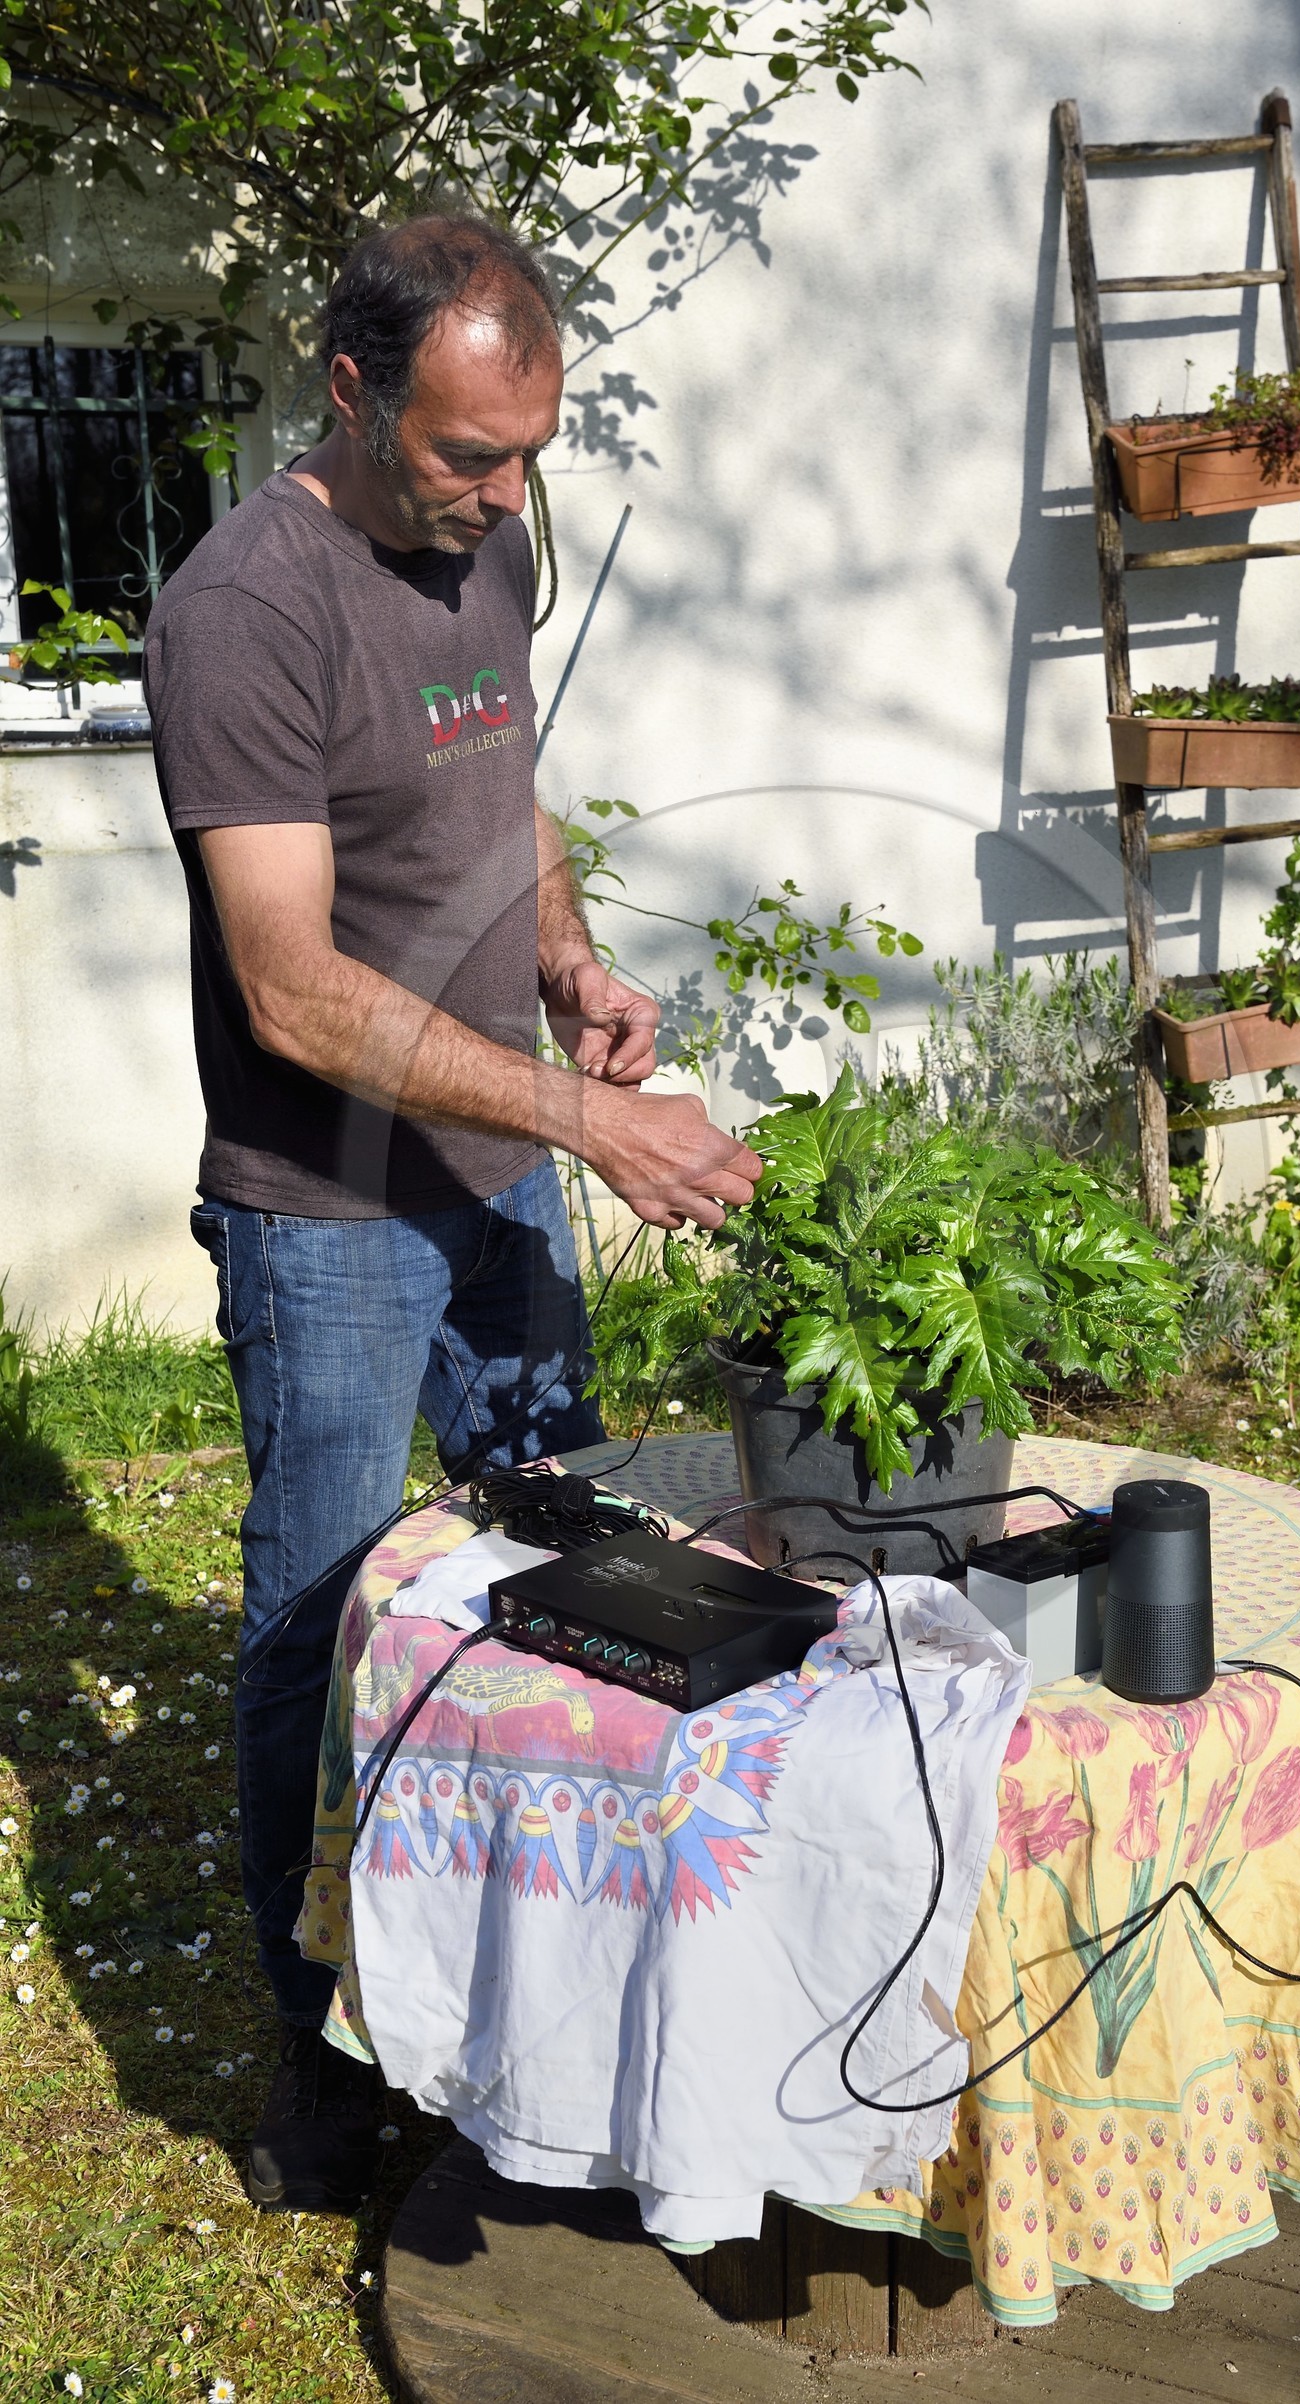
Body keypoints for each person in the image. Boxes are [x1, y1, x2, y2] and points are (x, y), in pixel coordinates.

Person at [144, 214, 760, 2215]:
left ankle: (543, 2012)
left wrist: (567, 963)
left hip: (495, 1168)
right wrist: (592, 1112)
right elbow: (293, 985)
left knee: (560, 1588)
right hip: (326, 1212)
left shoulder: (477, 534)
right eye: (468, 459)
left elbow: (503, 784)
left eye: (528, 455)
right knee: (323, 1630)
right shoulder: (245, 611)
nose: (506, 501)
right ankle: (323, 2062)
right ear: (349, 388)